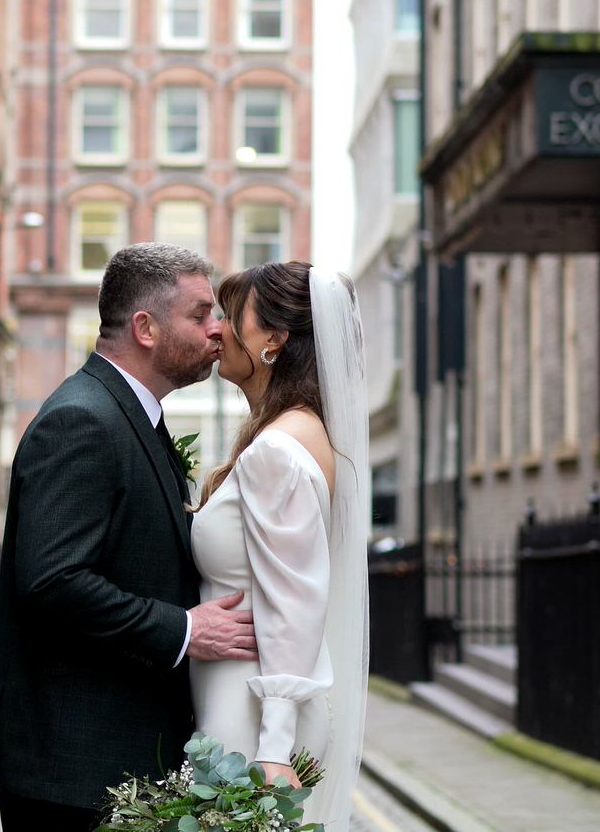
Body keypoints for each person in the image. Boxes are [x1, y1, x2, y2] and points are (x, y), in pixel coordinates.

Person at [0, 243, 259, 831]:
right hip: (68, 761)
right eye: (200, 315)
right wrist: (186, 628)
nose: (218, 330)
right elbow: (52, 580)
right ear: (146, 327)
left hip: (105, 755)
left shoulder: (130, 413)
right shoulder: (83, 420)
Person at [191, 261, 370, 832]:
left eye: (229, 315)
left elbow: (295, 601)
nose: (216, 329)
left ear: (274, 339)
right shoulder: (302, 431)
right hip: (250, 703)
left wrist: (273, 748)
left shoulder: (279, 450)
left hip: (252, 717)